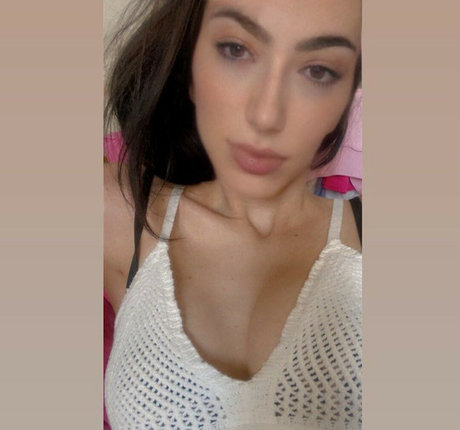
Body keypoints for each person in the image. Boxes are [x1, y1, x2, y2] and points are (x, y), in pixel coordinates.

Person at [104, 0, 362, 428]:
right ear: (190, 71)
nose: (267, 114)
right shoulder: (119, 211)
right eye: (235, 50)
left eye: (318, 71)